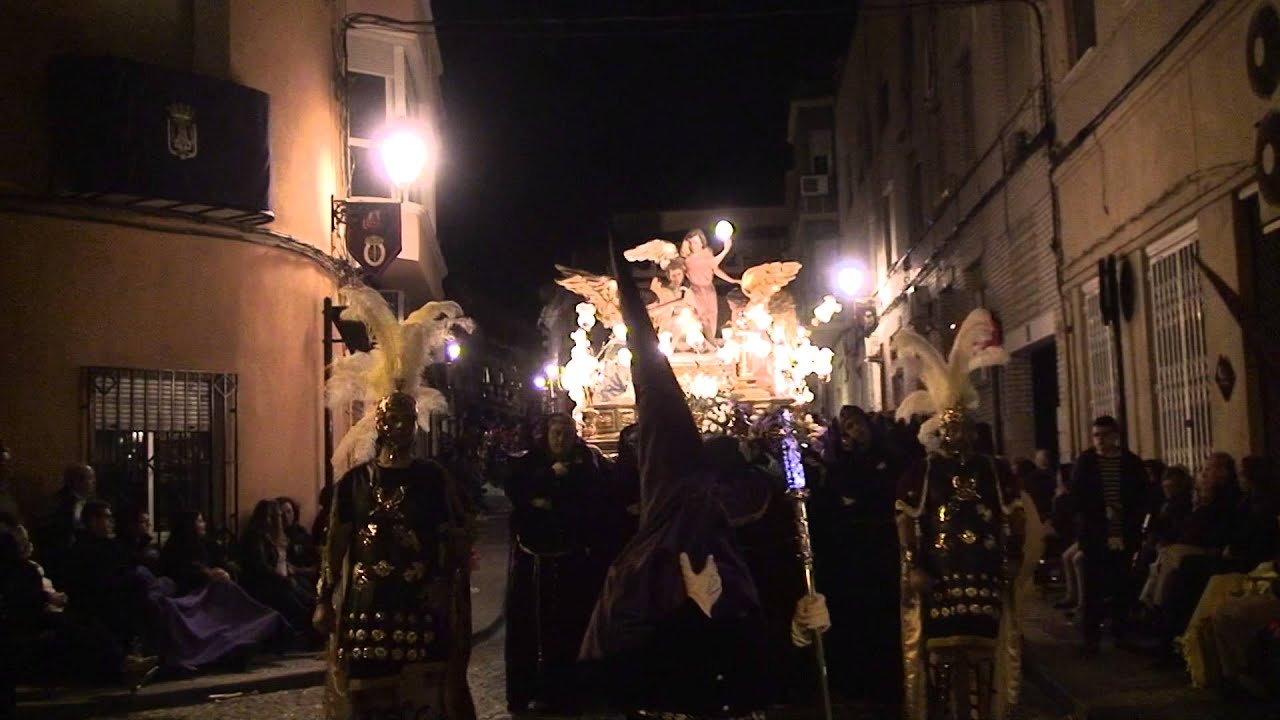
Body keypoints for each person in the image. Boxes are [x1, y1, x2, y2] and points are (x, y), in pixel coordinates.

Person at [577, 241, 829, 719]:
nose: (704, 507)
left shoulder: (728, 559)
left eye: (708, 498)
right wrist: (687, 615)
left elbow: (756, 675)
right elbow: (615, 678)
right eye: (692, 499)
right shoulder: (633, 576)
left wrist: (796, 631)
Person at [315, 286, 477, 720]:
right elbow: (336, 542)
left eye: (409, 418)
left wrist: (456, 577)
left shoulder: (432, 479)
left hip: (421, 605)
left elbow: (456, 534)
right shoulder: (354, 483)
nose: (403, 426)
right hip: (368, 608)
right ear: (381, 422)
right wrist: (323, 598)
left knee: (423, 698)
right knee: (368, 698)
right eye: (395, 418)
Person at [891, 310, 1029, 720]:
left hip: (984, 575)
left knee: (984, 660)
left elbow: (1014, 512)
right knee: (940, 664)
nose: (956, 435)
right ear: (939, 429)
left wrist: (1015, 555)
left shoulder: (994, 468)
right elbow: (906, 517)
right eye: (949, 428)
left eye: (962, 427)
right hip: (939, 579)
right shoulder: (924, 471)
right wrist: (914, 564)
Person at [505, 413, 610, 713]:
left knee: (570, 625)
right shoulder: (529, 464)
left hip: (572, 560)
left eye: (566, 433)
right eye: (556, 433)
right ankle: (529, 689)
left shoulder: (587, 465)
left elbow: (591, 503)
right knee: (530, 629)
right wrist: (545, 489)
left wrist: (553, 500)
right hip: (534, 562)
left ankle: (568, 690)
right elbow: (520, 495)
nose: (560, 439)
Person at [816, 404, 901, 709]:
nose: (854, 431)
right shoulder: (841, 465)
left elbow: (889, 493)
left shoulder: (889, 458)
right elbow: (839, 500)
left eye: (857, 424)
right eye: (847, 427)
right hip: (854, 554)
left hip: (886, 549)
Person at [1068, 415, 1147, 653]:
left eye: (1104, 435)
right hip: (1095, 533)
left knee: (1121, 584)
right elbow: (1077, 496)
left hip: (1123, 532)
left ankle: (1120, 633)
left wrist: (1127, 511)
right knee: (1093, 587)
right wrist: (1098, 510)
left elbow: (1141, 494)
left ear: (1115, 436)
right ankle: (1090, 639)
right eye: (1096, 436)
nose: (1100, 441)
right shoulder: (1086, 462)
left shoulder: (1131, 463)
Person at [239, 499, 316, 642]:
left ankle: (313, 625)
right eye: (271, 517)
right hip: (262, 585)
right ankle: (307, 632)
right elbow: (261, 567)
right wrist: (283, 579)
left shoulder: (271, 536)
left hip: (276, 581)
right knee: (291, 596)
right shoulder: (255, 537)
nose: (276, 521)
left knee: (304, 594)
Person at [35, 463, 97, 585]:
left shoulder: (93, 501)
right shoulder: (58, 503)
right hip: (65, 559)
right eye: (90, 478)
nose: (93, 482)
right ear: (76, 481)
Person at [679, 228, 739, 338]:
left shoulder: (707, 252)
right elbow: (712, 263)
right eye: (691, 243)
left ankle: (711, 340)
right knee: (701, 317)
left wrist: (731, 280)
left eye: (696, 242)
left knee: (712, 314)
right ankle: (702, 341)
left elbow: (715, 269)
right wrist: (725, 250)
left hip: (709, 288)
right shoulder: (688, 259)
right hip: (697, 290)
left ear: (702, 242)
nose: (694, 245)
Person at [159, 511, 236, 595]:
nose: (204, 524)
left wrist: (221, 572)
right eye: (200, 521)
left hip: (206, 590)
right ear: (190, 525)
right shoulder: (176, 548)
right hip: (189, 595)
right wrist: (207, 574)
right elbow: (182, 575)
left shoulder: (205, 544)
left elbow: (217, 563)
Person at [116, 505, 160, 572]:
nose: (149, 524)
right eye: (144, 521)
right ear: (132, 524)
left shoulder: (145, 542)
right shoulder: (120, 546)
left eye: (148, 521)